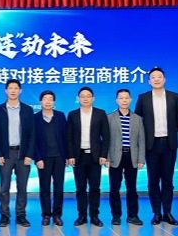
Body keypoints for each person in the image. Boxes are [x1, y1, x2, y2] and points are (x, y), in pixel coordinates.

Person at [134, 67, 178, 226]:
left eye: (159, 77)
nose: (156, 79)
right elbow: (138, 120)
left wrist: (169, 133)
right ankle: (156, 213)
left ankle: (167, 212)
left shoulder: (174, 97)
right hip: (151, 144)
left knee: (168, 180)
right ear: (149, 81)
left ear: (164, 79)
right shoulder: (143, 98)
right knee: (153, 180)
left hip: (169, 144)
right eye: (153, 77)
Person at [0, 79, 35, 228]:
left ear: (20, 91)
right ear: (6, 91)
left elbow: (32, 134)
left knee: (22, 188)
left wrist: (29, 155)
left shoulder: (27, 110)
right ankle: (4, 216)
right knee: (4, 188)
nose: (13, 91)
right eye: (10, 88)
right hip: (6, 154)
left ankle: (21, 215)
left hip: (23, 155)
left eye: (16, 88)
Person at [66, 86, 110, 227]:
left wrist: (104, 155)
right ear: (78, 99)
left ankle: (95, 216)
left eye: (88, 96)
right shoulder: (72, 115)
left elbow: (106, 136)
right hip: (78, 156)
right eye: (82, 96)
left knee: (95, 188)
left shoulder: (100, 113)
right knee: (80, 188)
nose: (85, 98)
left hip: (95, 157)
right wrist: (70, 155)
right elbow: (69, 137)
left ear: (93, 98)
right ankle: (82, 216)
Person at [107, 89, 146, 226]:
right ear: (117, 100)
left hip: (132, 156)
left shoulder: (137, 119)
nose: (124, 100)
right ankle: (116, 216)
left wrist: (141, 159)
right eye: (121, 98)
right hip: (115, 157)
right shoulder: (109, 117)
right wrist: (106, 157)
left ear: (130, 100)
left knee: (132, 188)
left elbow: (141, 140)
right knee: (114, 188)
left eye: (126, 98)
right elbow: (106, 140)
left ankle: (133, 216)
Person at [33, 90, 68, 226]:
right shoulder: (35, 118)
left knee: (59, 188)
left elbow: (66, 137)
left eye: (50, 99)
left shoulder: (60, 116)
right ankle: (46, 215)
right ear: (40, 102)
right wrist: (37, 158)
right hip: (44, 159)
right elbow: (33, 140)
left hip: (59, 157)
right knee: (44, 188)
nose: (48, 101)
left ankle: (57, 215)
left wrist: (67, 156)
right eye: (45, 99)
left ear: (54, 102)